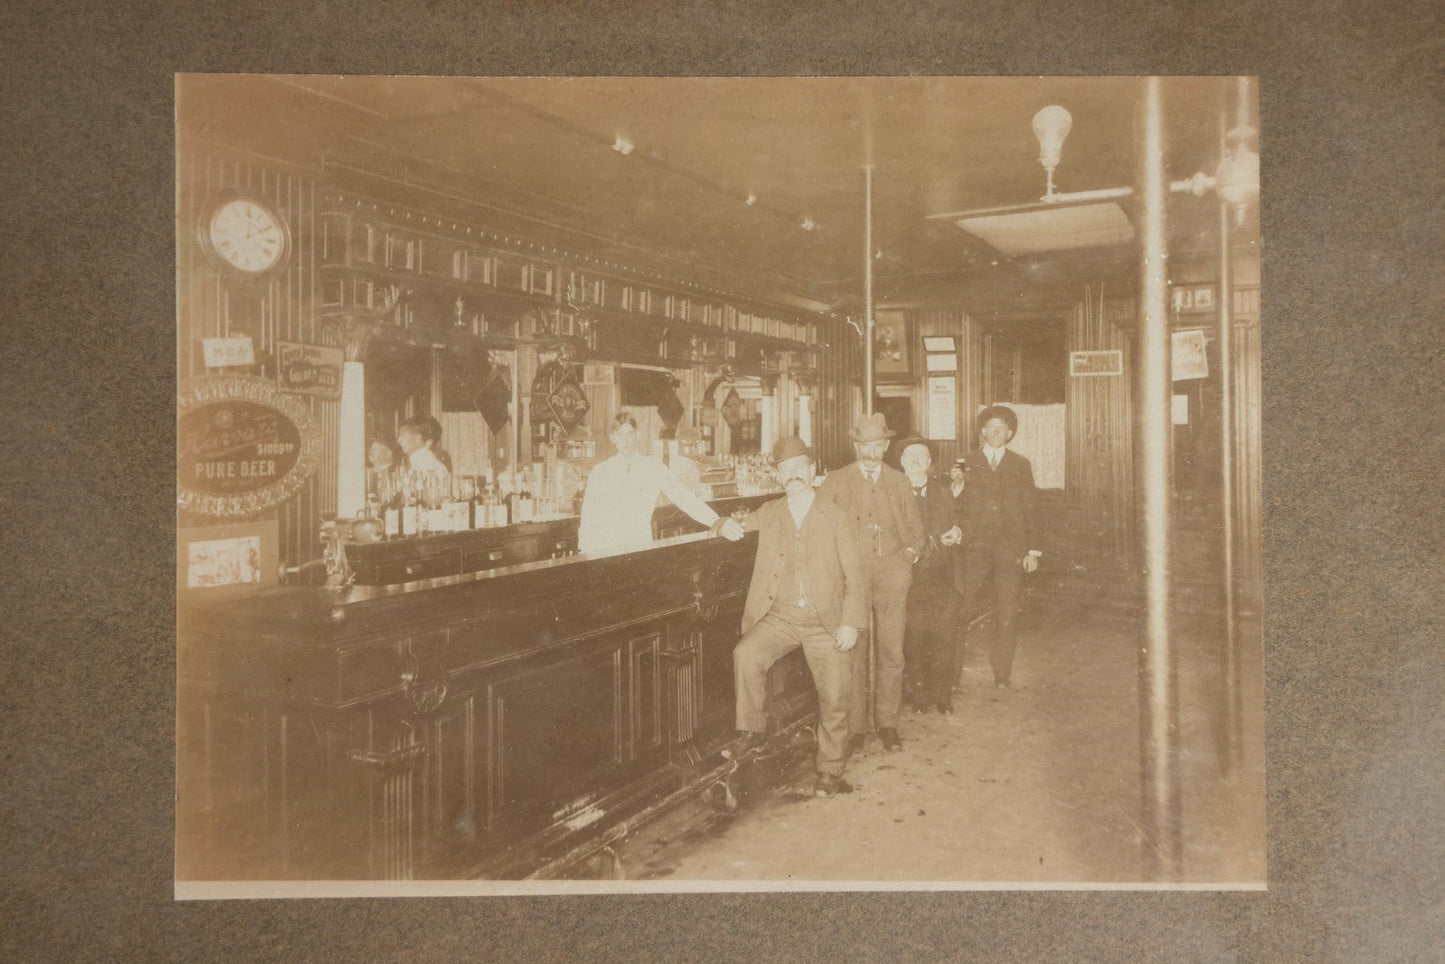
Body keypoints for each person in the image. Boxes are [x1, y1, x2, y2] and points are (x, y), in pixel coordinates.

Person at [720, 437, 865, 798]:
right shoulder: (770, 512)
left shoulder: (835, 515)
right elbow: (734, 523)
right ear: (779, 477)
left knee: (834, 696)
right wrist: (721, 525)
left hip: (824, 621)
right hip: (781, 616)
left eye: (799, 467)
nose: (793, 474)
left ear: (813, 471)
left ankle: (830, 770)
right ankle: (751, 732)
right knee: (746, 654)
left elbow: (856, 575)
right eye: (785, 470)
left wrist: (850, 621)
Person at [816, 412, 925, 754]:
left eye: (877, 444)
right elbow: (822, 529)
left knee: (892, 649)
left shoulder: (899, 481)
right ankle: (856, 727)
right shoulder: (835, 482)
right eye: (864, 445)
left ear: (886, 446)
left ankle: (888, 723)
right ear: (856, 445)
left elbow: (916, 528)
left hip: (892, 572)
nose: (871, 451)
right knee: (854, 651)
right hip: (853, 577)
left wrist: (906, 556)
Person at [577, 413, 743, 554]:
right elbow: (589, 516)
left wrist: (718, 521)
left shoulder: (653, 467)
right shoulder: (601, 471)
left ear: (638, 435)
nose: (626, 440)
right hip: (607, 548)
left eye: (630, 434)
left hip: (640, 547)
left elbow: (685, 498)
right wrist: (585, 552)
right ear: (613, 438)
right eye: (620, 434)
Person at [958, 405, 1040, 689]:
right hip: (974, 549)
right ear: (982, 432)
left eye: (1001, 428)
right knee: (961, 606)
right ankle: (951, 676)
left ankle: (1002, 674)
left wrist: (1032, 551)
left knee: (1007, 612)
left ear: (1010, 434)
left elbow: (1031, 508)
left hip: (1010, 550)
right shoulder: (966, 463)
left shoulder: (1020, 465)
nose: (995, 432)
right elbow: (956, 507)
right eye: (990, 427)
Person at [897, 438, 964, 714]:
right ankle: (918, 694)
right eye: (909, 456)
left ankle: (943, 695)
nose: (915, 461)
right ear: (901, 462)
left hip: (943, 579)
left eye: (921, 456)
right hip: (909, 580)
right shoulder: (893, 493)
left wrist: (959, 530)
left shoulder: (945, 492)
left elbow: (965, 518)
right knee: (913, 639)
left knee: (945, 639)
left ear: (929, 463)